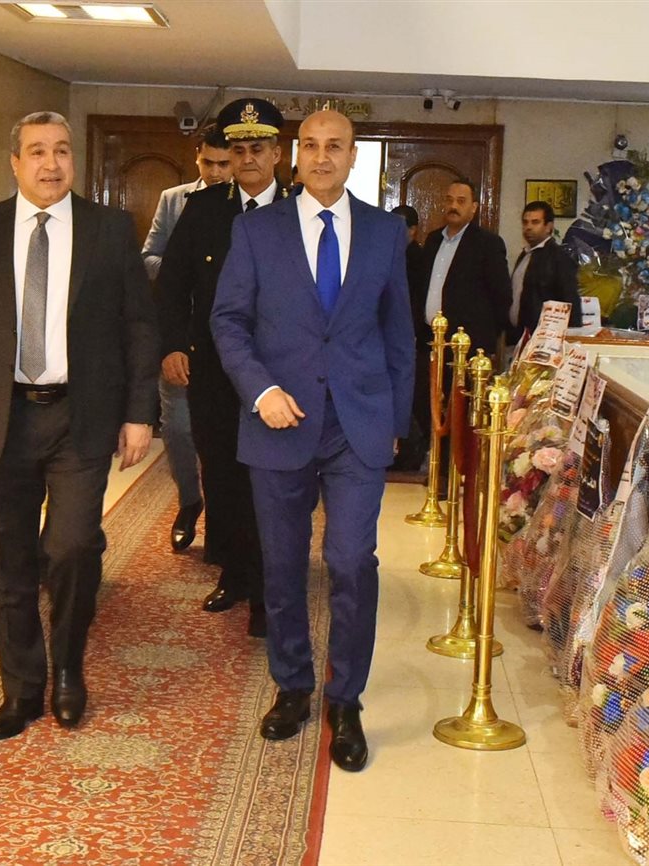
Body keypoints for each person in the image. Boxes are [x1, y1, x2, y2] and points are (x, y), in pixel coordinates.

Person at [0, 111, 159, 740]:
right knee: (8, 561)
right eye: (38, 152)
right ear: (15, 162)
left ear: (74, 160)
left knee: (72, 547)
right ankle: (21, 688)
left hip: (82, 415)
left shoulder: (110, 230)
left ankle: (69, 668)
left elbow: (139, 326)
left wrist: (140, 413)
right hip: (5, 417)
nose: (51, 164)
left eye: (62, 151)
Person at [211, 110, 415, 772]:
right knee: (282, 563)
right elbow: (228, 321)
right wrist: (261, 391)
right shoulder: (256, 229)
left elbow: (399, 334)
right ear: (294, 154)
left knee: (352, 561)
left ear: (354, 156)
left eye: (335, 146)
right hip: (280, 420)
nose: (322, 157)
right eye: (310, 145)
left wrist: (395, 424)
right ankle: (294, 685)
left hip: (358, 424)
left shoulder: (385, 232)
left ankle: (346, 699)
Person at [156, 97, 290, 639]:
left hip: (278, 374)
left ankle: (268, 589)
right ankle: (234, 574)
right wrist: (173, 345)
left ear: (277, 154)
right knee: (223, 475)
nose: (247, 158)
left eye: (258, 148)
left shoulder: (298, 211)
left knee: (272, 481)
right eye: (239, 150)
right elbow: (173, 284)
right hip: (213, 369)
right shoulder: (205, 209)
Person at [141, 126, 232, 554]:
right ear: (197, 158)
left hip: (229, 338)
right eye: (208, 163)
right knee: (177, 428)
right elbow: (149, 256)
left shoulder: (247, 203)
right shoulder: (174, 199)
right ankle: (190, 500)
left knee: (224, 436)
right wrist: (185, 272)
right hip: (181, 332)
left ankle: (224, 518)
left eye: (223, 164)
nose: (215, 172)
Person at [414, 179, 511, 358]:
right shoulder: (433, 239)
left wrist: (485, 339)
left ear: (473, 207)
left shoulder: (488, 244)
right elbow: (421, 287)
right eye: (449, 200)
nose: (453, 206)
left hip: (466, 345)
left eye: (461, 201)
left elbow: (502, 296)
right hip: (429, 341)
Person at [506, 200, 582, 346]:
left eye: (535, 222)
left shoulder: (559, 258)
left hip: (545, 341)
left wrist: (570, 342)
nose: (528, 227)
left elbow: (570, 301)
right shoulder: (525, 254)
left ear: (548, 227)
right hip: (520, 337)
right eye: (525, 222)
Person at [390, 204, 427, 473]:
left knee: (412, 398)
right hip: (392, 337)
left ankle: (412, 452)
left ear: (413, 231)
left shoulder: (417, 259)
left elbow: (415, 301)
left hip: (412, 336)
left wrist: (411, 333)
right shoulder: (387, 255)